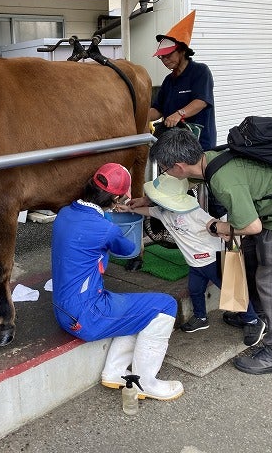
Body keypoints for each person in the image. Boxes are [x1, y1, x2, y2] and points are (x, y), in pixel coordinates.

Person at [149, 127, 272, 375]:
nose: (165, 173)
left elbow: (251, 226)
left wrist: (216, 225)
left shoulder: (222, 178)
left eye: (165, 169)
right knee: (251, 264)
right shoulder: (209, 161)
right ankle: (258, 316)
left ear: (178, 167)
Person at [51, 163, 183, 400]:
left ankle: (114, 372)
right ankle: (146, 383)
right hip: (87, 315)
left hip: (63, 309)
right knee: (165, 305)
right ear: (117, 197)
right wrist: (114, 221)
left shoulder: (64, 213)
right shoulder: (105, 228)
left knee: (135, 309)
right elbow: (129, 249)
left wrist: (107, 214)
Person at [130, 173, 266, 346]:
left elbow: (214, 223)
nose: (153, 200)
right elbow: (148, 210)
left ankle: (253, 321)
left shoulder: (195, 212)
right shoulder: (163, 211)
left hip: (212, 259)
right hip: (194, 264)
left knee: (232, 291)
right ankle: (201, 317)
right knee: (195, 290)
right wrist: (129, 209)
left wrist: (223, 230)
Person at [149, 10, 216, 151]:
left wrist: (179, 114)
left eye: (168, 55)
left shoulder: (200, 71)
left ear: (182, 51)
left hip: (199, 143)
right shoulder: (168, 81)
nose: (165, 60)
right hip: (175, 144)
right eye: (162, 57)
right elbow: (158, 110)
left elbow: (201, 101)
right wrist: (139, 116)